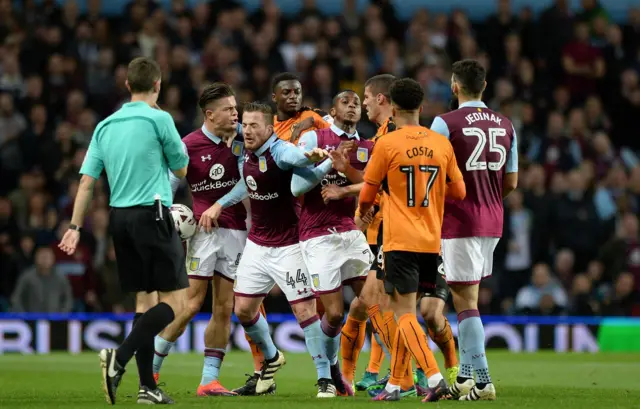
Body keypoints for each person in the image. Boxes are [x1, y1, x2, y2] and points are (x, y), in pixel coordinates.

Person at [58, 57, 189, 405]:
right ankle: (120, 356)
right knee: (177, 301)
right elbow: (181, 166)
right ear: (158, 85)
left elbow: (86, 183)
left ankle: (147, 388)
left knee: (145, 301)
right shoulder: (160, 118)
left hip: (119, 219)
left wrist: (74, 226)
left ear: (128, 85)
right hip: (153, 214)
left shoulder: (104, 125)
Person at [357, 78, 466, 402]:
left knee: (403, 314)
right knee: (409, 311)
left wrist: (363, 212)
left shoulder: (387, 144)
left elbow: (367, 193)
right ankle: (394, 384)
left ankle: (433, 376)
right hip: (432, 242)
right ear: (421, 106)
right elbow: (459, 191)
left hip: (399, 240)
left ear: (391, 105)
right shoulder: (440, 144)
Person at [233, 102, 337, 398]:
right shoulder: (248, 150)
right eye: (245, 124)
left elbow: (296, 157)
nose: (248, 130)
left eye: (254, 126)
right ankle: (272, 357)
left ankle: (324, 379)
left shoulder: (279, 150)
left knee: (304, 310)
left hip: (289, 245)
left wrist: (311, 156)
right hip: (257, 244)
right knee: (242, 310)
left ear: (269, 129)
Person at [430, 59, 519, 401]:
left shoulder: (445, 122)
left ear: (455, 86)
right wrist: (489, 197)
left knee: (465, 301)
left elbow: (432, 173)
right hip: (493, 220)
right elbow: (510, 181)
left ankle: (482, 382)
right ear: (484, 86)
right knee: (469, 298)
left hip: (458, 220)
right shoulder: (506, 124)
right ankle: (465, 378)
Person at [152, 83, 248, 396]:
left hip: (236, 232)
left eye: (235, 108)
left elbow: (250, 182)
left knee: (224, 307)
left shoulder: (243, 143)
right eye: (228, 109)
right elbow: (167, 182)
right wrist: (163, 214)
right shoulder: (188, 145)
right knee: (191, 305)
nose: (235, 113)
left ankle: (209, 381)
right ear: (210, 114)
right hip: (203, 235)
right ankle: (150, 370)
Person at [291, 90, 374, 397]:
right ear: (333, 109)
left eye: (356, 103)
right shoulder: (315, 139)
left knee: (373, 300)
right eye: (345, 101)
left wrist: (347, 192)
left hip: (352, 232)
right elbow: (296, 185)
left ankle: (396, 375)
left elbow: (374, 185)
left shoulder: (368, 146)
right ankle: (332, 372)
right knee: (335, 314)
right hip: (317, 234)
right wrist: (329, 164)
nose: (352, 106)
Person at [271, 72, 332, 144]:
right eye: (286, 92)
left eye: (297, 92)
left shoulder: (315, 115)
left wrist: (315, 121)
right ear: (274, 97)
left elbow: (342, 136)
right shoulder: (268, 126)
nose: (293, 96)